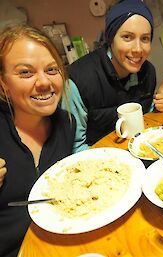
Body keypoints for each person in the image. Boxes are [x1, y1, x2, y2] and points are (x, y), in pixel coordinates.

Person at [0, 24, 76, 257]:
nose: (44, 82)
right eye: (26, 72)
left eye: (52, 70)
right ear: (3, 84)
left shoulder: (66, 124)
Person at [62, 0, 163, 151]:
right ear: (111, 38)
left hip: (140, 150)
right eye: (127, 37)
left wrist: (156, 106)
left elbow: (144, 117)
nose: (138, 49)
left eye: (145, 38)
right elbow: (75, 147)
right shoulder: (78, 81)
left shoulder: (148, 72)